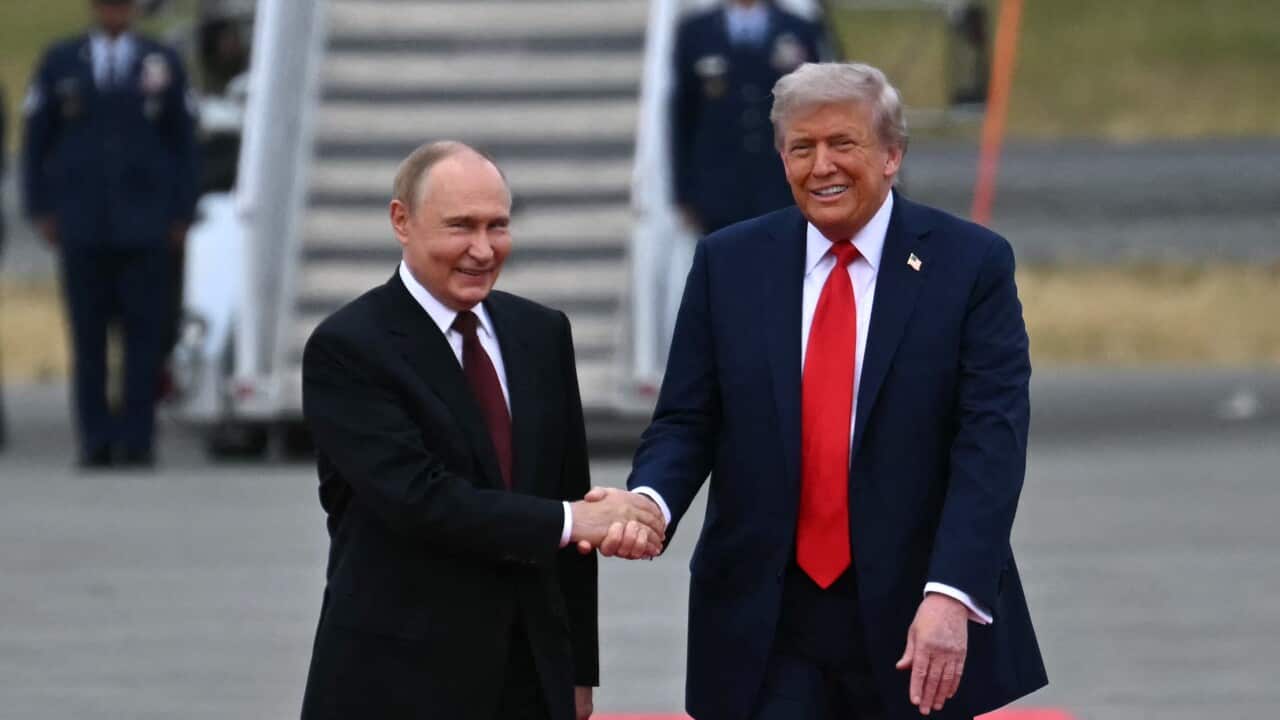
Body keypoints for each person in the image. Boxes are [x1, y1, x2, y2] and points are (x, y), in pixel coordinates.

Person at [606, 62, 1047, 719]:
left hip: (914, 615)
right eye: (801, 148)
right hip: (767, 617)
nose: (822, 167)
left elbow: (991, 444)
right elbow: (687, 420)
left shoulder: (969, 265)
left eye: (843, 144)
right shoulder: (730, 263)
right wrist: (650, 501)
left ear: (892, 155)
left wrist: (952, 593)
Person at [297, 141, 665, 720]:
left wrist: (577, 670)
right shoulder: (349, 347)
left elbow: (568, 491)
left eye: (498, 226)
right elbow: (420, 499)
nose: (483, 249)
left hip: (529, 676)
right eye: (461, 227)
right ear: (401, 221)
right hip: (397, 678)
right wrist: (574, 519)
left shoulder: (541, 333)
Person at [21, 0, 198, 468]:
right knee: (88, 338)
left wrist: (182, 211)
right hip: (83, 223)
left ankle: (138, 438)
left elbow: (184, 141)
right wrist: (40, 207)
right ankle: (96, 439)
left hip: (146, 225)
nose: (115, 13)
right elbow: (37, 138)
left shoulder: (160, 62)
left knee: (144, 338)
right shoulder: (62, 61)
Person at [671, 0, 823, 236]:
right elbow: (683, 118)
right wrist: (684, 193)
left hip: (783, 187)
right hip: (717, 191)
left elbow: (815, 112)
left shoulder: (799, 28)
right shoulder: (695, 32)